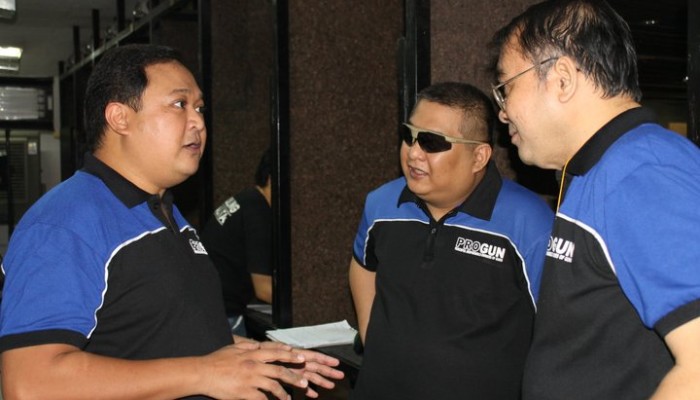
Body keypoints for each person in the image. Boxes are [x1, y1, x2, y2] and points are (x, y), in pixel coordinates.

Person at [0, 44, 343, 400]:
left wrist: (247, 356)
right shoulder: (63, 223)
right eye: (180, 104)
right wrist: (204, 372)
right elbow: (29, 385)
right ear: (119, 118)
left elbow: (152, 333)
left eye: (200, 108)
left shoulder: (164, 211)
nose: (199, 122)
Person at [490, 0, 700, 398]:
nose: (502, 113)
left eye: (506, 89)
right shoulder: (602, 170)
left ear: (562, 79)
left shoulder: (641, 174)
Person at [348, 82, 554, 400]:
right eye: (409, 136)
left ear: (479, 157)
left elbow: (561, 325)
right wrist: (370, 335)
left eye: (431, 142)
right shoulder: (381, 204)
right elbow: (363, 264)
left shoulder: (528, 221)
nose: (413, 153)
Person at [200, 148, 274, 337]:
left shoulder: (247, 199)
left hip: (208, 307)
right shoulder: (258, 213)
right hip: (226, 314)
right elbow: (264, 290)